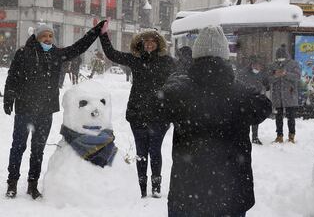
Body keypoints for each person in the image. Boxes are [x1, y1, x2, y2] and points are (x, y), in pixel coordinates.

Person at [157, 26, 272, 217]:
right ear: (225, 57)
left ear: (196, 56)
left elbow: (155, 109)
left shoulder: (179, 92)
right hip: (231, 194)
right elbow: (264, 107)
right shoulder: (241, 94)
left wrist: (174, 83)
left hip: (188, 192)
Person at [3, 21, 105, 199]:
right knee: (18, 146)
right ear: (37, 37)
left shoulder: (56, 54)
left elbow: (78, 47)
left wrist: (96, 31)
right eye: (44, 36)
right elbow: (13, 76)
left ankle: (32, 184)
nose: (48, 39)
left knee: (38, 149)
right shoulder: (24, 53)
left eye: (50, 36)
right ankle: (12, 183)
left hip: (45, 110)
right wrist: (9, 96)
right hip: (25, 108)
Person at [99, 23, 175, 199]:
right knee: (141, 152)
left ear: (158, 43)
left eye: (152, 41)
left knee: (155, 150)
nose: (149, 44)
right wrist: (103, 35)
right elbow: (112, 54)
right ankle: (142, 187)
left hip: (160, 114)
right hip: (138, 112)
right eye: (145, 41)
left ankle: (156, 186)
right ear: (141, 43)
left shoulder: (168, 62)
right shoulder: (136, 59)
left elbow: (181, 77)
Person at [264, 44, 301, 144]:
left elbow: (297, 77)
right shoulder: (272, 65)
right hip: (277, 96)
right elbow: (268, 80)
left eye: (283, 58)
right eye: (279, 58)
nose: (281, 60)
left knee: (291, 117)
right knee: (278, 117)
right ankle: (279, 136)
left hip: (290, 95)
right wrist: (275, 75)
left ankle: (291, 136)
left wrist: (286, 74)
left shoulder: (294, 64)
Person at [236, 55, 266, 145]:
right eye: (256, 66)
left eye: (259, 66)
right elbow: (238, 83)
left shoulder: (260, 73)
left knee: (255, 118)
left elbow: (264, 83)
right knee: (244, 119)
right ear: (252, 64)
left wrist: (263, 88)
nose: (258, 68)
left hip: (256, 97)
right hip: (245, 98)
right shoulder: (243, 73)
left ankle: (255, 137)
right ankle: (242, 137)